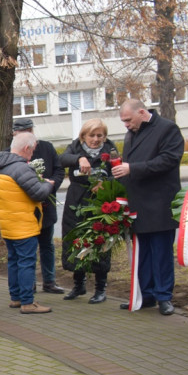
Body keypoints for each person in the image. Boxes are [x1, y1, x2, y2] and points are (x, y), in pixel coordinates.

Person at [115, 99, 185, 315]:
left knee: (161, 252)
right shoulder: (132, 133)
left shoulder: (167, 129)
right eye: (123, 121)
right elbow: (128, 164)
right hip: (138, 203)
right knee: (142, 253)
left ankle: (164, 297)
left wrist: (132, 169)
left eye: (128, 120)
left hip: (160, 202)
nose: (125, 125)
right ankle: (146, 295)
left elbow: (169, 160)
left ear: (142, 112)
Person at [0, 131, 54, 314]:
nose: (32, 154)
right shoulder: (21, 168)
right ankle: (28, 302)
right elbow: (38, 193)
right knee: (26, 262)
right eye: (32, 150)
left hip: (8, 223)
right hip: (23, 224)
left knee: (13, 260)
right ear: (26, 148)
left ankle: (16, 297)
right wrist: (48, 184)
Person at [59, 120, 120, 303]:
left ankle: (100, 288)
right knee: (76, 241)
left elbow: (118, 173)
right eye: (91, 135)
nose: (95, 139)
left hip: (100, 202)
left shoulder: (111, 150)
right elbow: (61, 160)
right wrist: (79, 158)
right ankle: (79, 285)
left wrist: (105, 183)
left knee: (100, 242)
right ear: (83, 136)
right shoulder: (75, 147)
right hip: (76, 200)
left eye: (99, 136)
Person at [14, 118, 65, 294]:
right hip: (25, 208)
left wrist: (51, 185)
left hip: (46, 205)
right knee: (27, 248)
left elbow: (59, 170)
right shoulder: (12, 153)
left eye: (27, 132)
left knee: (47, 245)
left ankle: (49, 281)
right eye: (19, 133)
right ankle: (30, 283)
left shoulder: (46, 147)